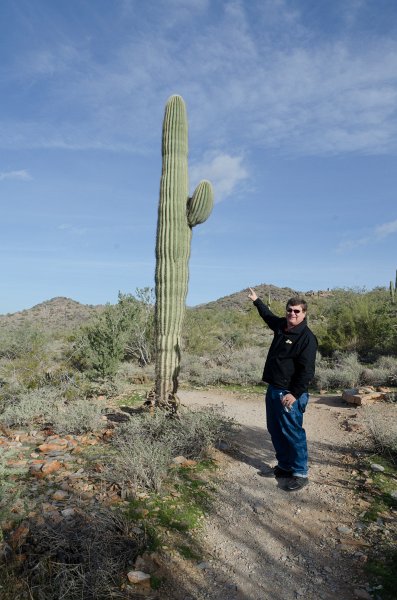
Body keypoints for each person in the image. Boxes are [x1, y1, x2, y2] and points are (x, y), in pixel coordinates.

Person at [248, 287, 317, 491]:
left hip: (289, 394)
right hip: (274, 389)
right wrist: (257, 300)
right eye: (290, 310)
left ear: (304, 313)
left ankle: (300, 472)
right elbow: (268, 316)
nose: (292, 314)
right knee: (276, 430)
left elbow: (307, 371)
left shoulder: (307, 338)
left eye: (297, 311)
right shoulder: (281, 326)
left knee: (292, 432)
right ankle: (285, 466)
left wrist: (294, 394)